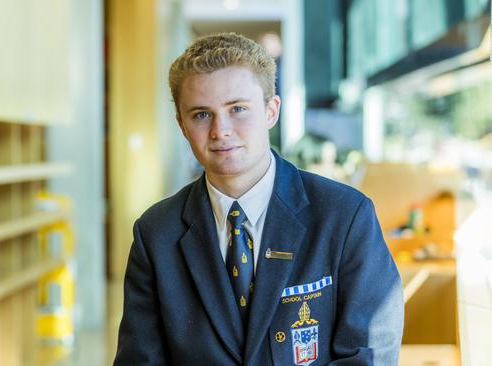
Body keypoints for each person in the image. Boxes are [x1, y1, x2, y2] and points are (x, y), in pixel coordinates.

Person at [114, 32, 403, 365]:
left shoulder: (346, 217)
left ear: (271, 111)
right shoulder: (155, 234)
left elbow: (369, 355)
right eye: (201, 115)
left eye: (237, 109)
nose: (220, 130)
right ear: (181, 123)